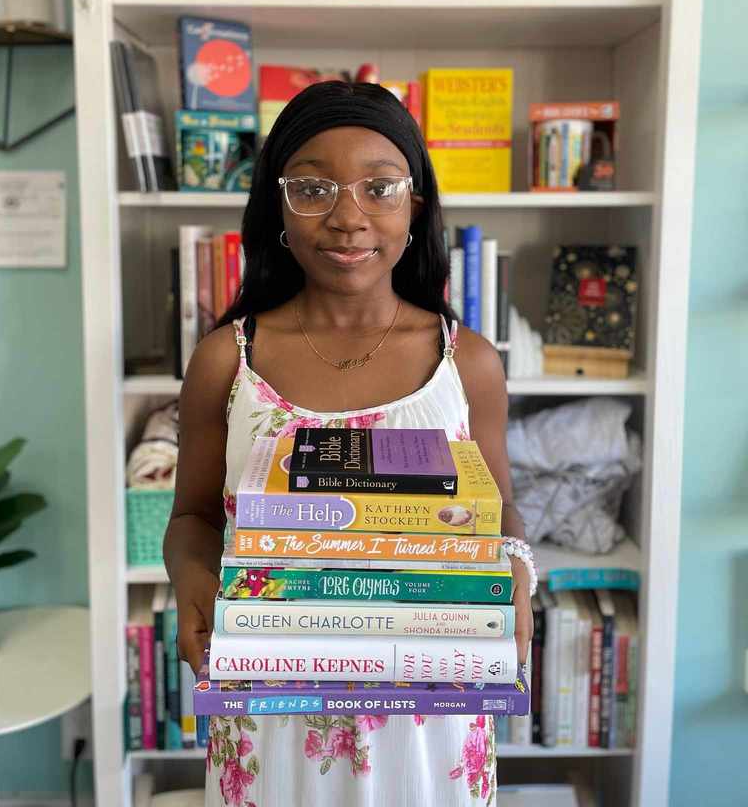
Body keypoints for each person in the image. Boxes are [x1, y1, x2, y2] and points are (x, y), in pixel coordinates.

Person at [165, 81, 535, 807]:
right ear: (278, 205)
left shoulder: (469, 362)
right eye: (312, 188)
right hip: (271, 705)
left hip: (429, 713)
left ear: (415, 206)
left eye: (379, 187)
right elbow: (191, 518)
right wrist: (191, 581)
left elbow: (500, 513)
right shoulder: (226, 359)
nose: (346, 217)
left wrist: (517, 571)